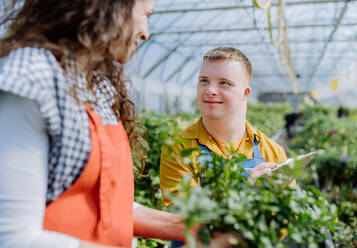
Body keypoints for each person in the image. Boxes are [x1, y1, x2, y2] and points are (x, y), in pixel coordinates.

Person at [0, 1, 234, 247]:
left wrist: (200, 230)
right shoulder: (32, 78)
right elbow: (13, 238)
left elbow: (111, 207)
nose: (146, 32)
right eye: (144, 15)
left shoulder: (96, 86)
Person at [160, 47, 288, 207]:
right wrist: (248, 192)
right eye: (204, 81)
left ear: (245, 93)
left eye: (224, 83)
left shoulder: (273, 152)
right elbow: (183, 220)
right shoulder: (179, 149)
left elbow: (286, 219)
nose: (210, 90)